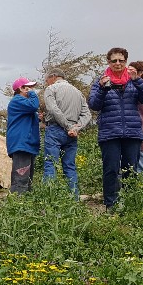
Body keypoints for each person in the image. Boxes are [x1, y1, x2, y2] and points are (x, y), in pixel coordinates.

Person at [88, 47, 143, 209]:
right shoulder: (100, 81)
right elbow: (94, 105)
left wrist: (138, 81)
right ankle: (111, 205)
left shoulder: (134, 80)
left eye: (121, 60)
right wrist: (103, 89)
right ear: (108, 62)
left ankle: (130, 204)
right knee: (111, 169)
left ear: (126, 61)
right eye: (114, 61)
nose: (118, 63)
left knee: (130, 170)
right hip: (109, 132)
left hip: (132, 132)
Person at [42, 68, 92, 197]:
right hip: (72, 134)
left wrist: (68, 126)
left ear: (53, 77)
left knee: (50, 163)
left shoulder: (51, 89)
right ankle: (73, 200)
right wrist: (76, 128)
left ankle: (49, 199)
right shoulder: (78, 92)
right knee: (70, 166)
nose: (47, 83)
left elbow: (53, 109)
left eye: (46, 80)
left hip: (55, 130)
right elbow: (87, 114)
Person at [7, 77, 40, 194]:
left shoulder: (24, 104)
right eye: (28, 87)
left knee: (27, 178)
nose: (31, 90)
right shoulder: (17, 100)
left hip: (28, 144)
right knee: (21, 178)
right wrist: (32, 94)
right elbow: (34, 105)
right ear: (21, 88)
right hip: (21, 144)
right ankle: (18, 204)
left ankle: (24, 205)